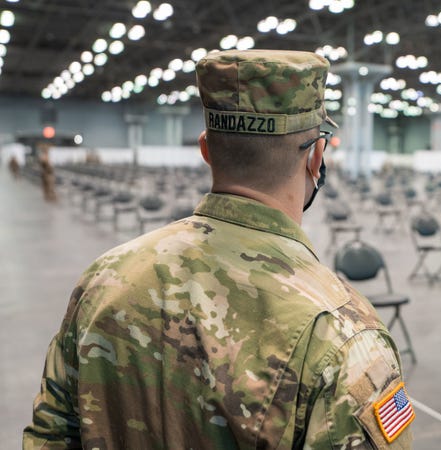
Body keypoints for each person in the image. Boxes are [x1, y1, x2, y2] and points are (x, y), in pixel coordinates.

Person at [24, 49, 413, 449]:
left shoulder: (104, 278)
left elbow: (51, 435)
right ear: (316, 157)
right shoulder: (342, 335)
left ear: (206, 151)